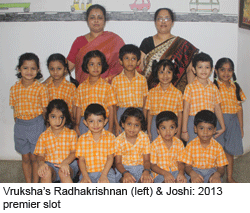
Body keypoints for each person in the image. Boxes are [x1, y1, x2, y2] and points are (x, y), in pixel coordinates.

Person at [9, 53, 49, 183]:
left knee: (35, 158)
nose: (29, 71)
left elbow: (45, 110)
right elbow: (15, 109)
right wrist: (19, 123)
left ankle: (35, 185)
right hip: (20, 126)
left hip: (36, 125)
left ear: (38, 70)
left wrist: (45, 127)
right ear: (19, 69)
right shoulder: (14, 89)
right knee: (25, 158)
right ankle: (28, 184)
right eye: (25, 68)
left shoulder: (41, 89)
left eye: (33, 68)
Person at [139, 8, 198, 92]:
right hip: (150, 95)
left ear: (172, 22)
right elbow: (140, 68)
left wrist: (191, 94)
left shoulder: (182, 44)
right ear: (155, 22)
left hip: (175, 96)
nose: (163, 21)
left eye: (167, 18)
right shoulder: (147, 42)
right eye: (160, 18)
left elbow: (189, 70)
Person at [67, 4, 125, 84]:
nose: (96, 20)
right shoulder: (79, 41)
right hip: (84, 91)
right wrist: (47, 82)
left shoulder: (115, 41)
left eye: (100, 18)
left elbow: (125, 65)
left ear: (104, 20)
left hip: (109, 91)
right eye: (92, 17)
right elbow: (67, 66)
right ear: (87, 20)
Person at [213, 58, 246, 183]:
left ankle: (230, 176)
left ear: (233, 72)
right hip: (217, 122)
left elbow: (239, 109)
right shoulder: (214, 87)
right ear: (216, 71)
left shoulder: (235, 87)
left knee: (230, 151)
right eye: (222, 70)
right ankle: (216, 177)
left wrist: (241, 127)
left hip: (233, 122)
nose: (226, 73)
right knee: (218, 150)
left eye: (229, 70)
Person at [181, 52, 225, 143]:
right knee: (193, 150)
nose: (204, 70)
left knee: (207, 149)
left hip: (209, 122)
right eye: (200, 67)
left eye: (207, 67)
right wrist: (184, 130)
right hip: (193, 122)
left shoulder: (214, 88)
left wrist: (223, 126)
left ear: (211, 69)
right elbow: (186, 109)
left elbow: (217, 108)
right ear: (194, 69)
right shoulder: (190, 87)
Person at [34, 99, 78, 183]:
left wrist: (65, 163)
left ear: (66, 118)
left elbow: (74, 153)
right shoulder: (43, 136)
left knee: (63, 172)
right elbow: (40, 156)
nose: (57, 121)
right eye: (53, 116)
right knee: (45, 172)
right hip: (50, 164)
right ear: (47, 118)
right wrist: (41, 164)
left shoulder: (71, 134)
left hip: (68, 164)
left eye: (61, 117)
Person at [75, 50, 117, 136]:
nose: (95, 67)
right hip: (85, 124)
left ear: (103, 66)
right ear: (86, 67)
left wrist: (110, 127)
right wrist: (77, 125)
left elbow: (111, 108)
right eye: (91, 64)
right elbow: (78, 107)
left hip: (102, 123)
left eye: (99, 64)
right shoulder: (81, 87)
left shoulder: (107, 87)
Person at [180, 110, 228, 183]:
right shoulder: (190, 146)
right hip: (194, 171)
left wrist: (217, 175)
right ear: (195, 129)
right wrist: (193, 174)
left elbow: (221, 168)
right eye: (201, 128)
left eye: (209, 129)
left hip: (211, 172)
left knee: (216, 182)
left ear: (214, 130)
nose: (205, 132)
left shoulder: (218, 147)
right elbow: (187, 166)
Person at [111, 44, 148, 136]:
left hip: (138, 114)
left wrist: (143, 122)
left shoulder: (142, 79)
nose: (130, 62)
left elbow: (145, 103)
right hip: (122, 114)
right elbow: (113, 106)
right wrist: (116, 124)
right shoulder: (116, 80)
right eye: (126, 58)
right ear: (120, 61)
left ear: (138, 62)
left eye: (133, 59)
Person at [76, 104, 116, 183]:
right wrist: (85, 176)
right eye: (91, 121)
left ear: (105, 121)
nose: (95, 125)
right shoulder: (82, 139)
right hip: (87, 173)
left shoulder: (110, 137)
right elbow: (81, 160)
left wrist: (104, 175)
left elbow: (110, 158)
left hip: (106, 172)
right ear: (85, 123)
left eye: (99, 121)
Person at [145, 59, 183, 141]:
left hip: (171, 126)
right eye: (161, 72)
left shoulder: (178, 93)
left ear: (173, 74)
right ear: (157, 74)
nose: (165, 76)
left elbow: (180, 115)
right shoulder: (151, 92)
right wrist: (148, 130)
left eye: (168, 72)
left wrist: (178, 133)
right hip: (155, 126)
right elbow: (150, 114)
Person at [115, 107, 153, 183]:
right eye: (129, 124)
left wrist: (146, 171)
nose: (132, 128)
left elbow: (146, 160)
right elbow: (118, 163)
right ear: (123, 124)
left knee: (147, 181)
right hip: (123, 169)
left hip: (141, 168)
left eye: (136, 125)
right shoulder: (118, 140)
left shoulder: (144, 138)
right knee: (127, 182)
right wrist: (125, 173)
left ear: (141, 126)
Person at [150, 111, 187, 183]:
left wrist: (181, 173)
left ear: (176, 129)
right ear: (158, 130)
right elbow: (153, 165)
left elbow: (181, 162)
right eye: (163, 128)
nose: (168, 131)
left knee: (182, 181)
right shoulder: (154, 145)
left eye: (171, 127)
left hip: (176, 172)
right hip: (160, 174)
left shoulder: (179, 143)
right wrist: (165, 173)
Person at [45, 53, 78, 120]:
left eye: (59, 69)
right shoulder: (45, 88)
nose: (55, 72)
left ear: (65, 69)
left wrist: (75, 123)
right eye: (52, 69)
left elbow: (74, 107)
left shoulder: (71, 87)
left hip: (67, 123)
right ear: (48, 69)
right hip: (51, 124)